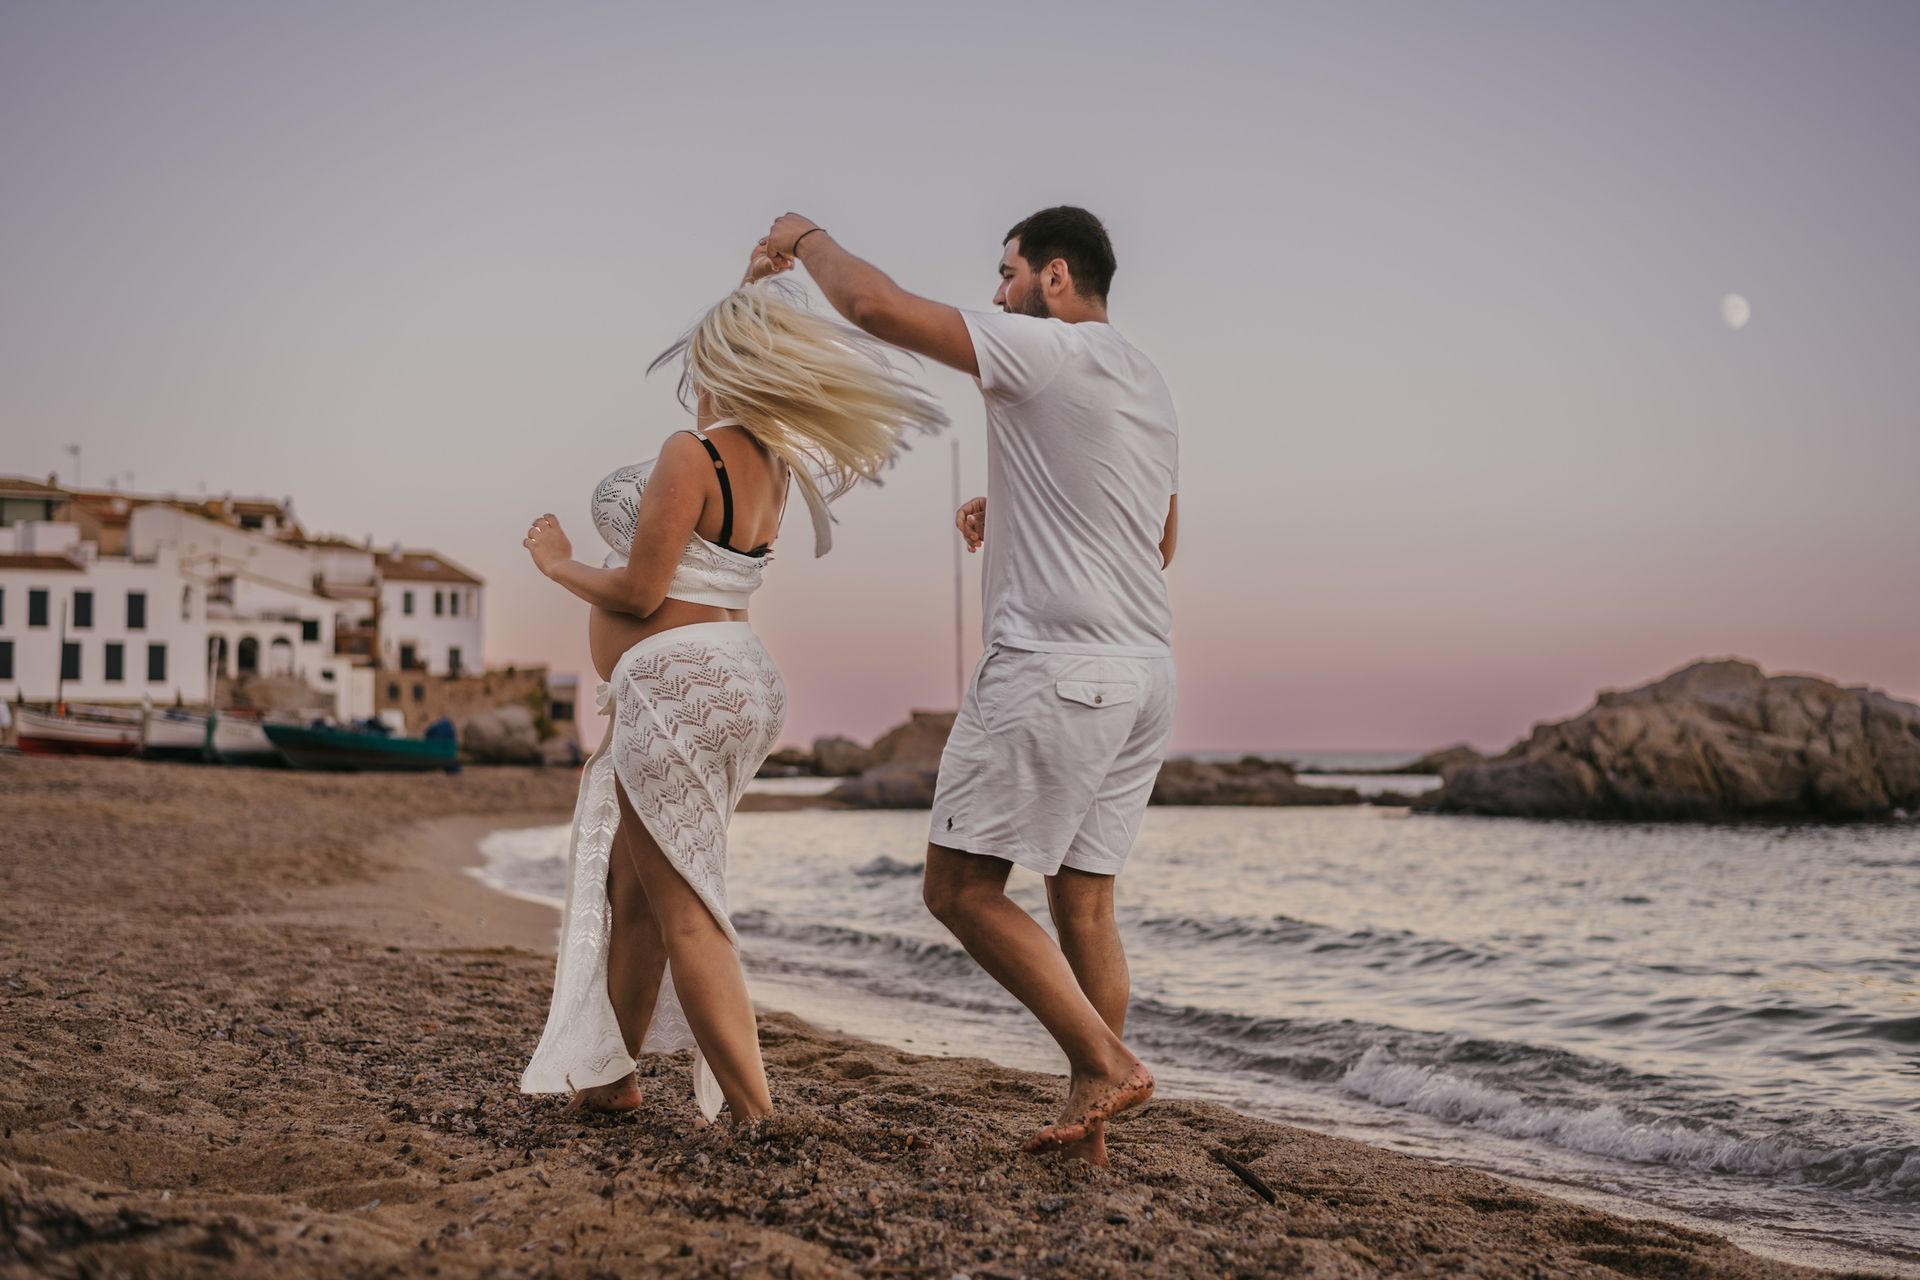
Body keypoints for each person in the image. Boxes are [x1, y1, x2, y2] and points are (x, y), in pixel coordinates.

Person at [764, 207, 1179, 1163]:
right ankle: (1088, 1126)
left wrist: (806, 238)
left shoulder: (1044, 347)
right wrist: (1027, 506)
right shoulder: (1146, 378)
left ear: (1056, 277)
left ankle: (1107, 1063)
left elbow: (876, 307)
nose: (997, 294)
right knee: (1085, 905)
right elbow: (1157, 537)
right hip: (1146, 674)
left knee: (957, 888)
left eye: (1007, 273)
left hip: (1053, 667)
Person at [519, 241, 945, 1123]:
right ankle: (610, 1079)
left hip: (678, 689)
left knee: (686, 911)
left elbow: (641, 592)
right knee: (635, 891)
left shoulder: (691, 451)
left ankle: (756, 1114)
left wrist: (558, 563)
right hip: (735, 679)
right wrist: (750, 291)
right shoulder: (771, 456)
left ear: (718, 359)